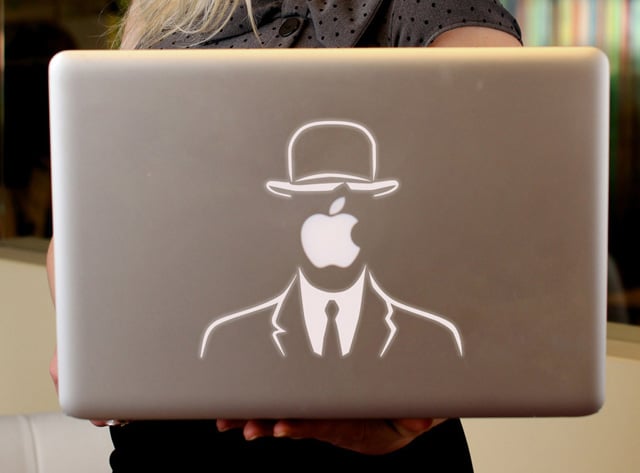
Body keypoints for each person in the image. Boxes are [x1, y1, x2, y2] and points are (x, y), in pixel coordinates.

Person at [47, 0, 522, 470]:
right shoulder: (170, 16)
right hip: (165, 441)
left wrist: (431, 399)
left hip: (368, 445)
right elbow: (93, 219)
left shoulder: (425, 8)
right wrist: (85, 328)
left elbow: (510, 218)